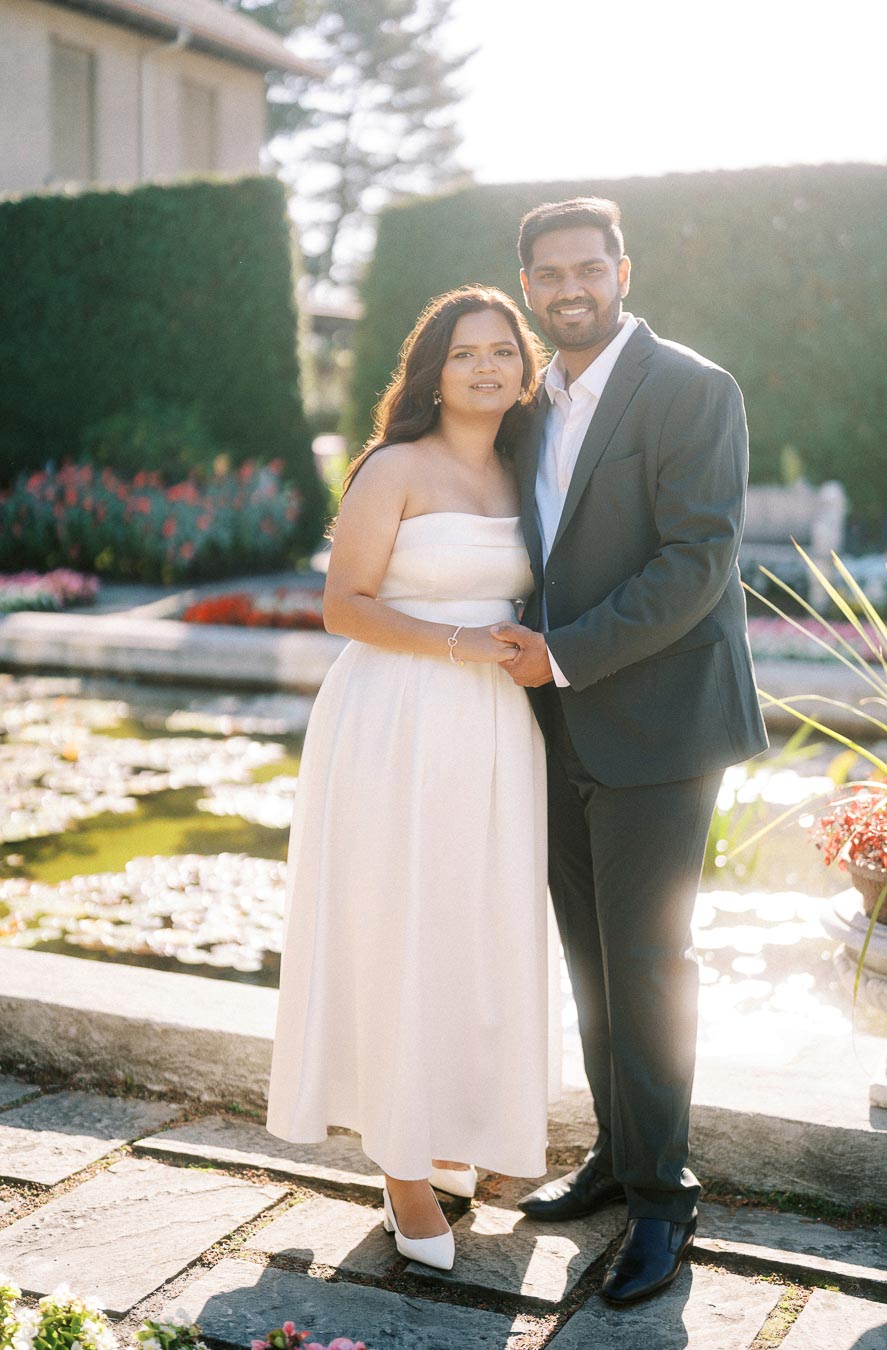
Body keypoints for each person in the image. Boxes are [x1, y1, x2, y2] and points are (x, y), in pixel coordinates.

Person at [492, 197, 768, 1306]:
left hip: (656, 724)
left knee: (649, 967)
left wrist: (559, 656)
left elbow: (697, 563)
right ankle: (617, 1155)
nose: (570, 288)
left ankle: (665, 1198)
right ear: (527, 286)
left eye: (587, 268)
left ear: (621, 270)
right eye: (549, 273)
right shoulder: (526, 406)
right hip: (547, 728)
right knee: (591, 960)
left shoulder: (694, 388)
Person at [266, 286, 550, 1273]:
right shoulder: (394, 466)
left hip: (494, 727)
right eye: (465, 351)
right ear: (432, 369)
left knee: (476, 925)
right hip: (394, 716)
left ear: (525, 370)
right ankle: (402, 1173)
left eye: (504, 351)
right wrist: (460, 639)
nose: (487, 366)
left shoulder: (533, 467)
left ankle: (456, 1128)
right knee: (398, 924)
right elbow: (344, 604)